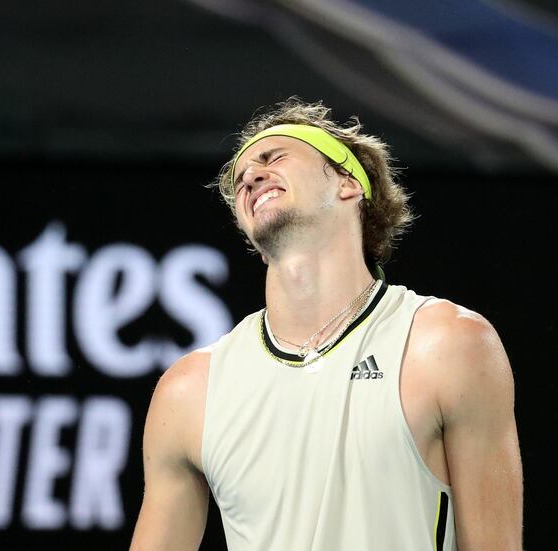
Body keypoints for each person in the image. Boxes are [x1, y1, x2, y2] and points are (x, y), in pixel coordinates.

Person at [130, 99, 523, 550]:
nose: (252, 176)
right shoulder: (189, 392)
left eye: (274, 158)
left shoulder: (448, 345)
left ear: (349, 184)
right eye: (241, 179)